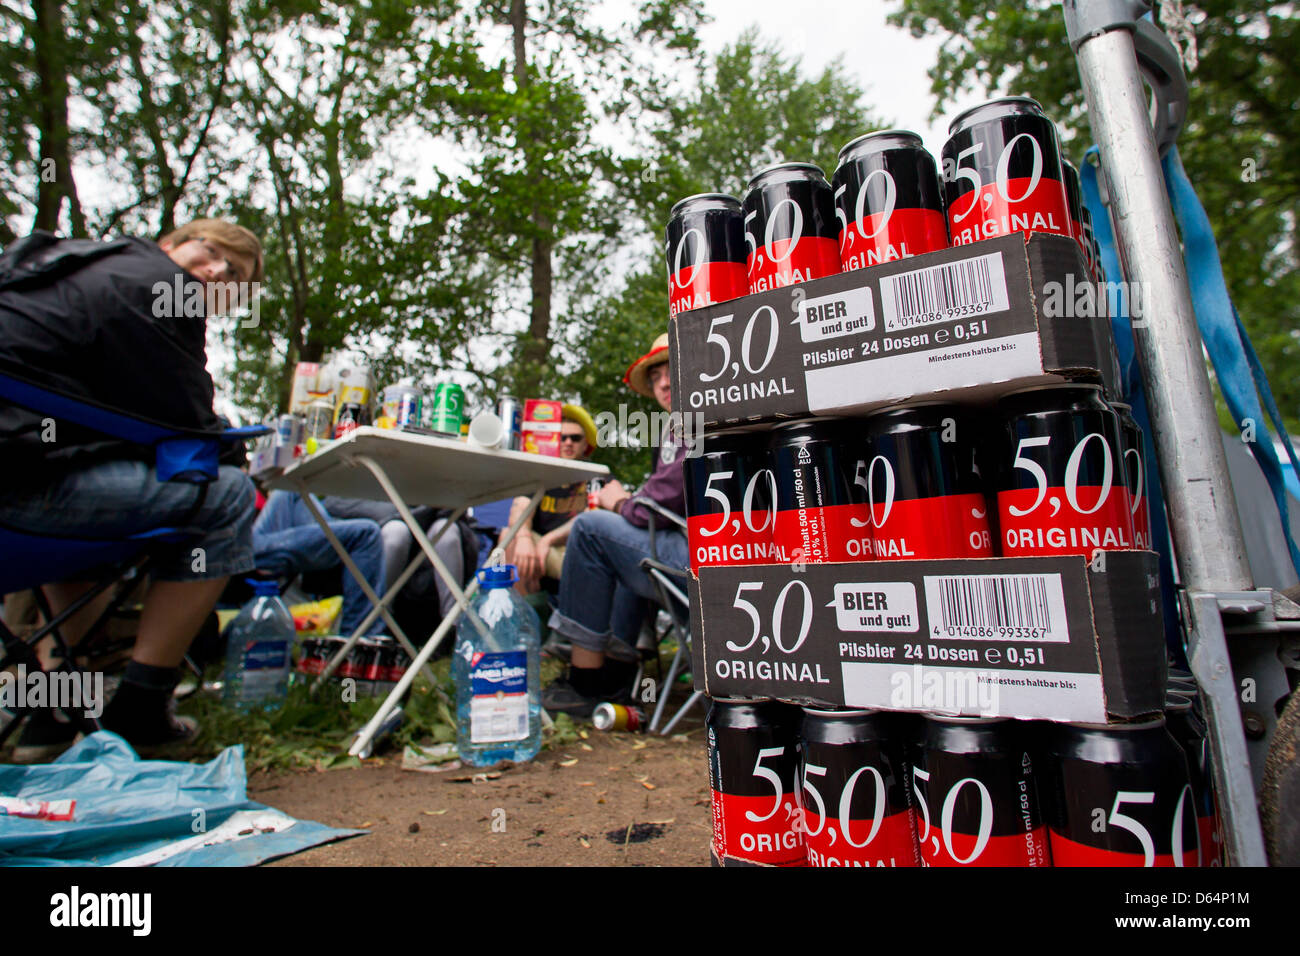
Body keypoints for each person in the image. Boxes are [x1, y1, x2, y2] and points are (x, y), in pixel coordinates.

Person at [0, 219, 264, 758]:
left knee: (97, 492)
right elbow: (191, 426)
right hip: (17, 493)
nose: (216, 270)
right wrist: (239, 454)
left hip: (30, 466)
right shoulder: (161, 287)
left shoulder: (64, 263)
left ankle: (52, 710)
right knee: (229, 495)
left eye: (233, 274)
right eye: (211, 252)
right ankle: (142, 707)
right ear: (171, 245)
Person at [542, 334, 689, 717]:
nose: (664, 383)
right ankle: (619, 670)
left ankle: (585, 683)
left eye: (671, 368)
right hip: (699, 552)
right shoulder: (676, 426)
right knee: (621, 539)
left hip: (708, 558)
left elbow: (652, 508)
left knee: (592, 529)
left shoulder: (697, 419)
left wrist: (620, 501)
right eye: (655, 375)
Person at [252, 491, 388, 638]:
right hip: (252, 551)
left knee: (289, 490)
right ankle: (359, 640)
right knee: (367, 534)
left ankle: (262, 557)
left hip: (267, 547)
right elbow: (334, 503)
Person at [503, 403, 598, 595]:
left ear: (586, 444)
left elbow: (595, 517)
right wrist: (523, 538)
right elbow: (520, 508)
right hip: (543, 557)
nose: (568, 442)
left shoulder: (597, 476)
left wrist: (548, 540)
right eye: (562, 437)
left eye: (575, 438)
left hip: (584, 555)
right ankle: (523, 616)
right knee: (509, 536)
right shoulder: (541, 475)